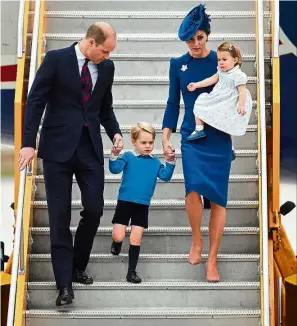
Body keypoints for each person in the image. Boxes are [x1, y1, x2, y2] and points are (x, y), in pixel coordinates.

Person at [18, 22, 124, 308]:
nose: (107, 57)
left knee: (94, 209)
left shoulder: (107, 68)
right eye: (104, 51)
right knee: (59, 216)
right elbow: (36, 100)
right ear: (90, 42)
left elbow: (105, 108)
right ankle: (64, 284)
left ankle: (77, 265)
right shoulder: (56, 60)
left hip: (89, 148)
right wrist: (29, 141)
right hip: (56, 150)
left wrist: (115, 132)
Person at [162, 4, 233, 282]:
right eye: (190, 39)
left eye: (199, 37)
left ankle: (212, 258)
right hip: (192, 134)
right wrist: (166, 134)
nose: (194, 43)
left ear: (207, 35)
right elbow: (172, 103)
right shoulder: (177, 65)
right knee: (192, 190)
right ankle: (196, 241)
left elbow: (236, 90)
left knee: (217, 198)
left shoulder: (222, 60)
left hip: (219, 134)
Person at [109, 122, 175, 283]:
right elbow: (115, 169)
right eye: (143, 142)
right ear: (134, 141)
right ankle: (116, 243)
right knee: (119, 235)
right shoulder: (128, 156)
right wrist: (114, 155)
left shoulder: (155, 162)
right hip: (125, 202)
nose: (147, 146)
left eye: (151, 142)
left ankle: (131, 271)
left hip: (142, 205)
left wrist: (170, 161)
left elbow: (165, 176)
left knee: (136, 238)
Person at [186, 42, 252, 160]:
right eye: (219, 59)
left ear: (235, 60)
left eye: (224, 59)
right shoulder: (221, 72)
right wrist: (197, 85)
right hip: (219, 98)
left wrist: (241, 105)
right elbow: (212, 79)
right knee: (201, 101)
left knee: (229, 125)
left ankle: (231, 148)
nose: (220, 62)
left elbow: (242, 91)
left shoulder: (238, 75)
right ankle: (199, 129)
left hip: (231, 101)